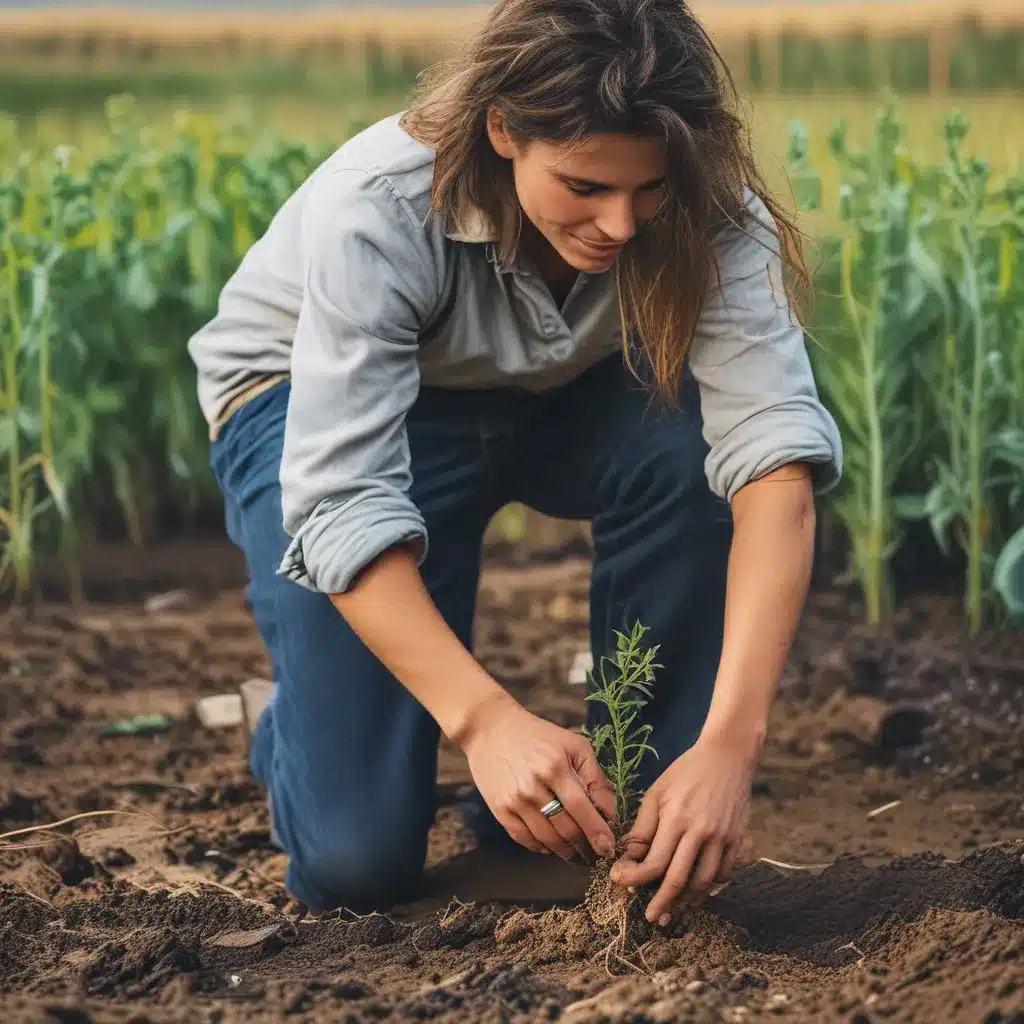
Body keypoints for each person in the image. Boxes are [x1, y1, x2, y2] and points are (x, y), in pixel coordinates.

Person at [189, 0, 842, 928]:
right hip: (310, 402)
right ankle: (300, 719)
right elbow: (342, 505)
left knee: (694, 448)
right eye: (583, 186)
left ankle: (631, 800)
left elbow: (774, 467)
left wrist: (731, 748)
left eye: (646, 190)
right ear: (504, 129)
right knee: (356, 863)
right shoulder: (378, 207)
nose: (620, 225)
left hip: (559, 392)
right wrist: (487, 723)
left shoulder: (701, 200)